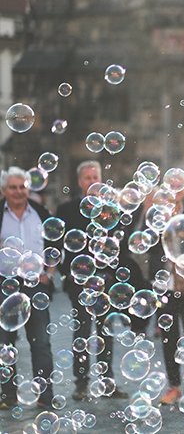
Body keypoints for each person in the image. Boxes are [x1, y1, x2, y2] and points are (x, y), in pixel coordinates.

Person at [55, 161, 131, 400]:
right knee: (83, 332)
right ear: (80, 182)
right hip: (79, 282)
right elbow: (57, 246)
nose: (91, 181)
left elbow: (122, 244)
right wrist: (68, 274)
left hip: (106, 280)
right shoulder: (67, 209)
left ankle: (107, 382)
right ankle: (81, 384)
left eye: (95, 176)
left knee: (106, 332)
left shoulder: (111, 210)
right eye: (87, 178)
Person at [0, 167, 55, 409]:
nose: (18, 191)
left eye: (22, 186)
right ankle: (6, 396)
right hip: (4, 284)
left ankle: (46, 394)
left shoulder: (41, 213)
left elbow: (57, 246)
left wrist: (49, 272)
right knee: (4, 343)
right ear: (4, 190)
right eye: (13, 187)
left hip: (35, 286)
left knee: (41, 341)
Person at [145, 186, 184, 405]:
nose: (176, 190)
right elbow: (145, 244)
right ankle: (174, 386)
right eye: (172, 185)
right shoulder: (155, 215)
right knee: (169, 338)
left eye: (181, 185)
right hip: (164, 284)